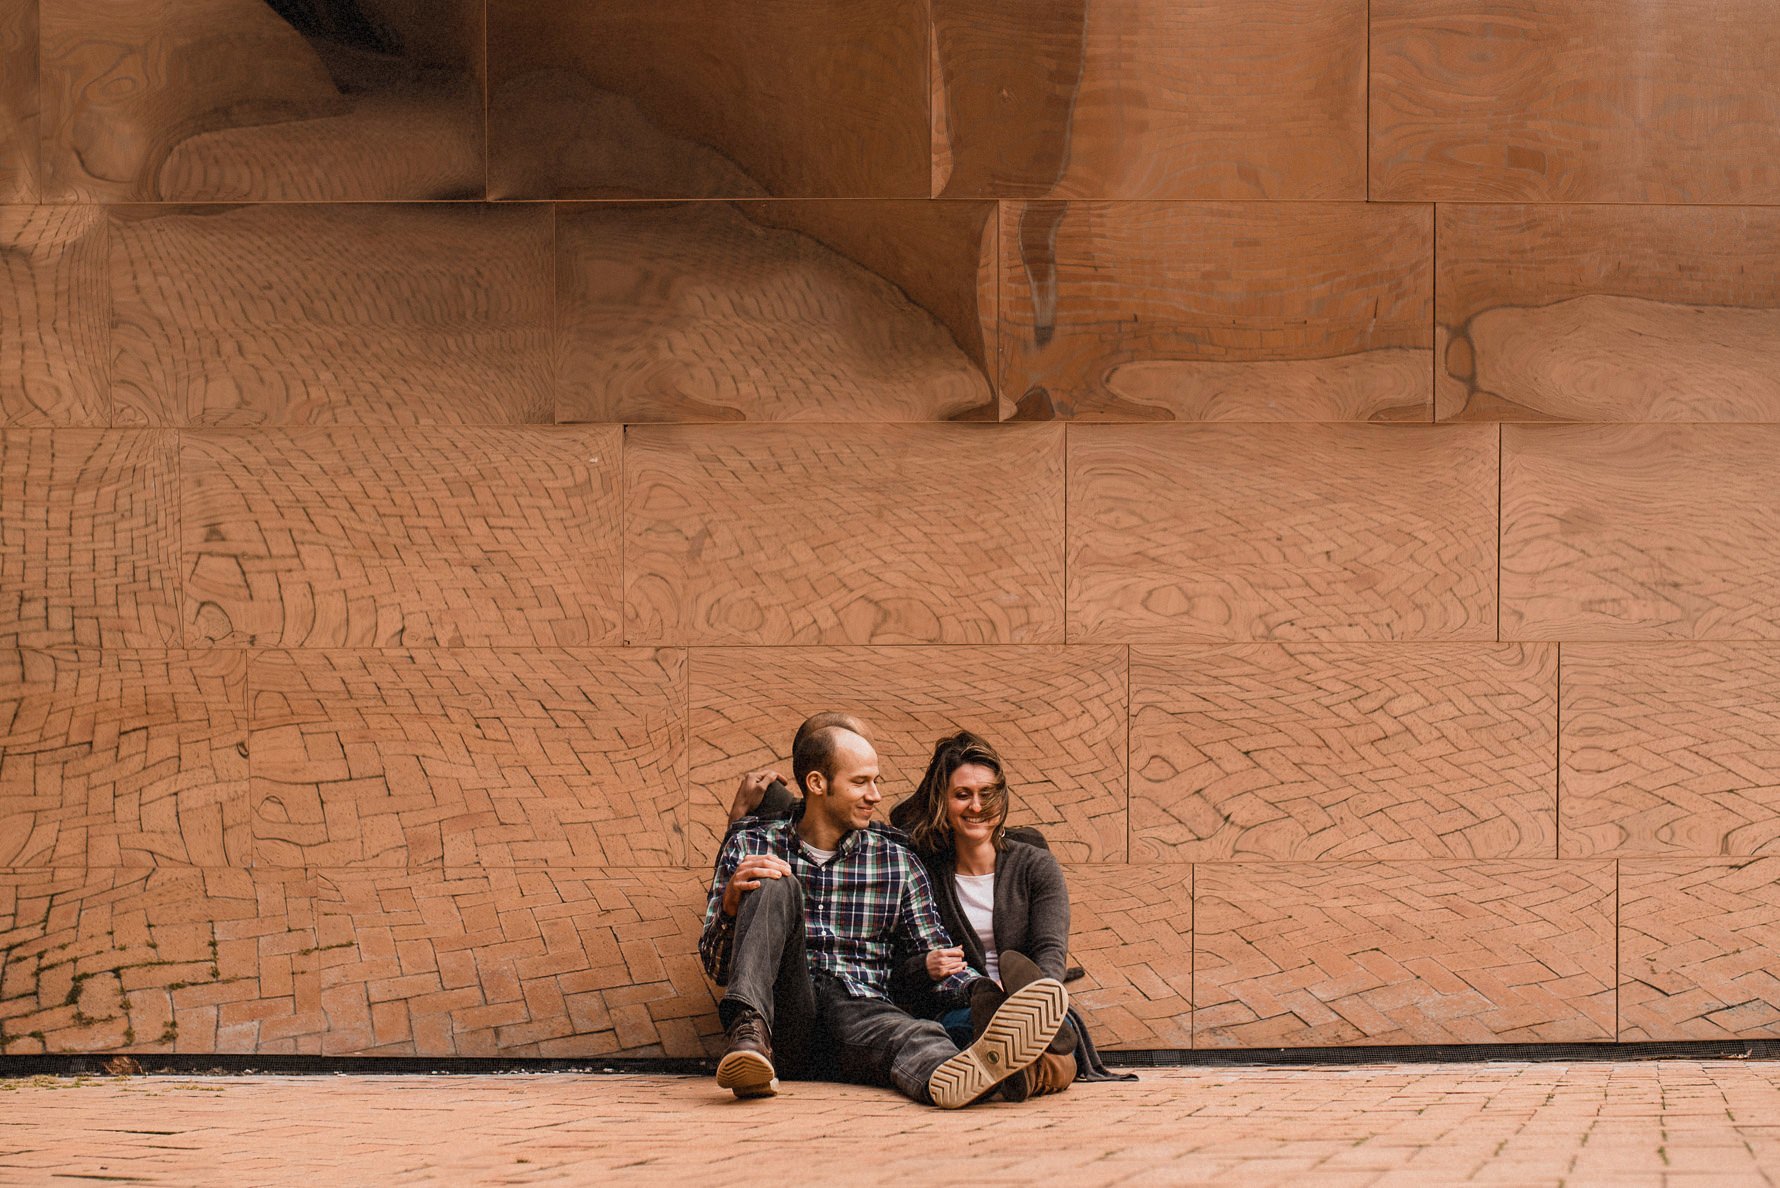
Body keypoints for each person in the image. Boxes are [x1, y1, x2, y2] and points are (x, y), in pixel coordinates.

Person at [699, 719, 1068, 1107]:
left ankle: (964, 1076)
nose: (875, 796)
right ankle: (747, 1040)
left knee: (916, 1034)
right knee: (771, 877)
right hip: (781, 1025)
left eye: (876, 781)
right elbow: (718, 969)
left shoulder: (895, 858)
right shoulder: (753, 843)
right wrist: (729, 907)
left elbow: (936, 950)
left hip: (861, 1016)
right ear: (817, 784)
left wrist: (980, 990)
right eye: (861, 782)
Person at [889, 730, 1135, 1097]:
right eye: (962, 795)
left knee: (1051, 1037)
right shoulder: (922, 867)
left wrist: (1033, 999)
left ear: (1001, 799)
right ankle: (1014, 1065)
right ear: (942, 801)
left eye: (986, 794)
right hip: (959, 1004)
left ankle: (1010, 1066)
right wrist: (925, 966)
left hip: (1030, 1009)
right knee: (958, 1030)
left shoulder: (1035, 865)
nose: (976, 806)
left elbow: (1050, 951)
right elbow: (898, 964)